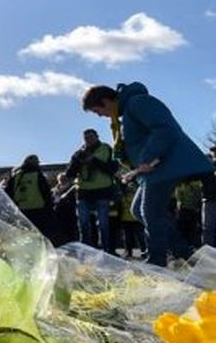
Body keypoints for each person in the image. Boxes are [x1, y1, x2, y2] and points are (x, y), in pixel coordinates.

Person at [82, 83, 210, 267]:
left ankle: (157, 262)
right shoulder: (125, 114)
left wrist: (147, 157)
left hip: (167, 165)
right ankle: (186, 254)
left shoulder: (138, 102)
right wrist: (133, 167)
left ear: (105, 101)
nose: (100, 116)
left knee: (150, 211)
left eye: (97, 111)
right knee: (138, 210)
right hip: (156, 170)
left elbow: (164, 128)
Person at [62, 129, 118, 252]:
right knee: (83, 223)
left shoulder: (106, 149)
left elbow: (112, 169)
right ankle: (86, 251)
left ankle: (107, 250)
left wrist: (93, 160)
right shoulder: (78, 153)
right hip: (83, 191)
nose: (88, 140)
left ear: (97, 136)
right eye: (86, 138)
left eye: (91, 137)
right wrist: (66, 175)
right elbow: (71, 172)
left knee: (103, 224)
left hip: (103, 191)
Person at [2, 155, 54, 238]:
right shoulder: (39, 176)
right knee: (39, 235)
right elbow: (46, 193)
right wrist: (50, 208)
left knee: (23, 234)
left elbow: (8, 193)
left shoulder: (16, 177)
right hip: (39, 210)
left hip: (21, 210)